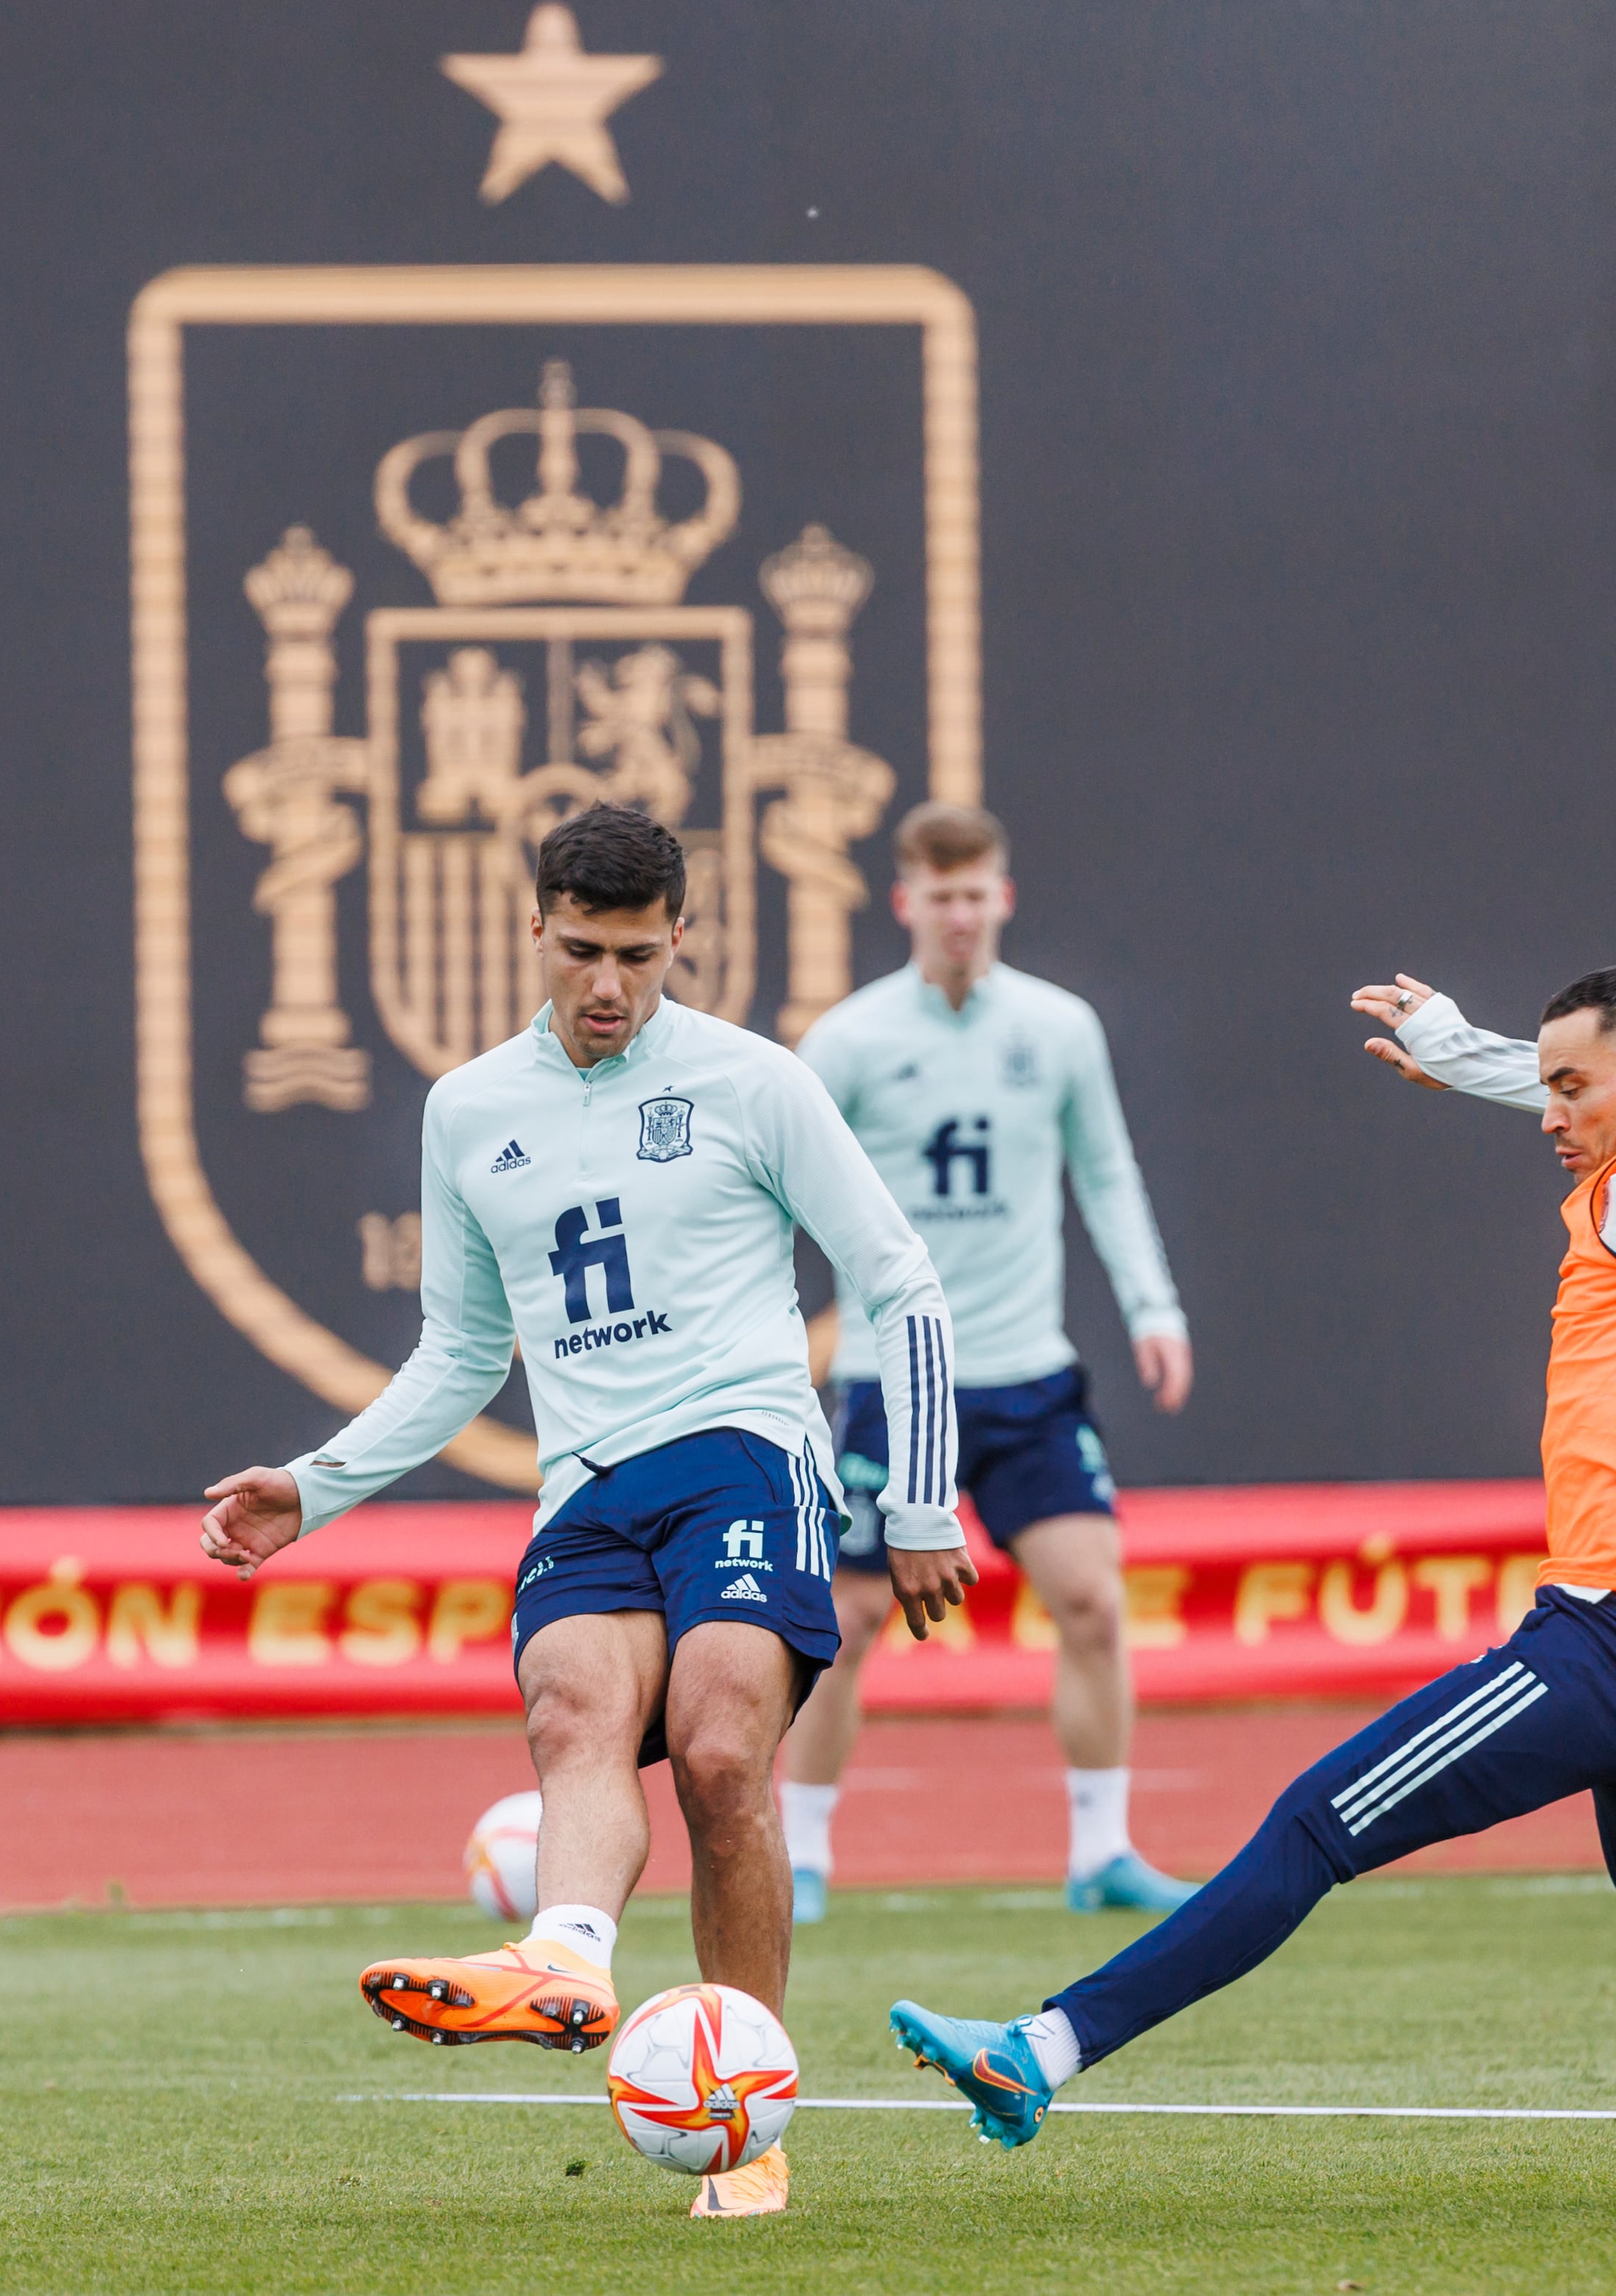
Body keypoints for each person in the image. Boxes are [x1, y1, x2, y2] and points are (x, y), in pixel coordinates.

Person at [887, 963, 1616, 2200]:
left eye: (1572, 1089)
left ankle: (1041, 2050)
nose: (1550, 1113)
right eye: (1545, 1085)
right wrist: (1469, 1057)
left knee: (1311, 1824)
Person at [195, 805, 975, 2221]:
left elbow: (899, 1279)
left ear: (682, 935)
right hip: (592, 1486)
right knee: (570, 1716)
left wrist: (919, 1495)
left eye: (634, 954)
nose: (606, 986)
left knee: (721, 1751)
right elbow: (457, 1355)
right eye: (579, 952)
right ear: (534, 930)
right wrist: (314, 1487)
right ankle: (563, 1957)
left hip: (745, 1453)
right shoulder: (469, 1109)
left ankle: (753, 2123)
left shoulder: (755, 1082)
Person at [777, 802, 1205, 1921]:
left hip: (1025, 1373)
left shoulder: (1059, 1029)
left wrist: (1152, 1306)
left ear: (1003, 899)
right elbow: (781, 1195)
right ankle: (806, 1854)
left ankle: (1102, 1850)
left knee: (1093, 1600)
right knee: (850, 1618)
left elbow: (1105, 1176)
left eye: (979, 896)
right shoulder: (853, 1040)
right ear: (906, 901)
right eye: (941, 896)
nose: (961, 917)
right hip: (888, 1377)